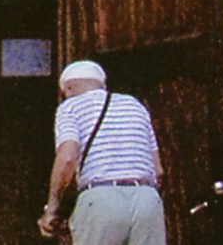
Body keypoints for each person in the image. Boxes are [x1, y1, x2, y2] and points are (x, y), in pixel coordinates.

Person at [40, 57, 164, 245]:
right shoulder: (135, 105)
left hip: (101, 200)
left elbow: (67, 159)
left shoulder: (70, 107)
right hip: (147, 200)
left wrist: (52, 209)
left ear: (68, 88)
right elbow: (158, 171)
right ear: (102, 85)